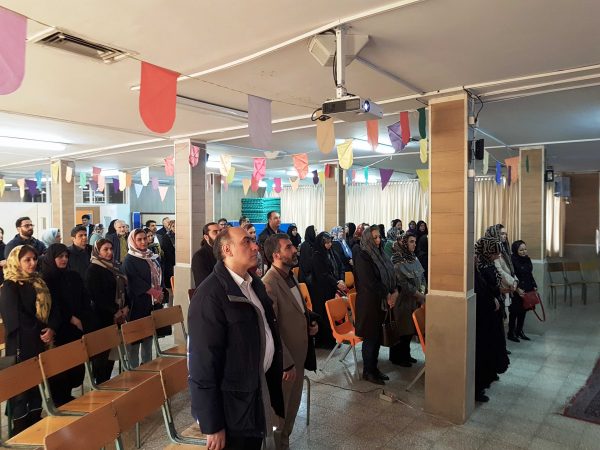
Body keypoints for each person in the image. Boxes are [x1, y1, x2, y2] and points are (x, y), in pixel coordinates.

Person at [188, 227, 284, 450]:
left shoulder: (253, 284)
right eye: (246, 242)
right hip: (232, 408)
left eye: (253, 241)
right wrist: (212, 424)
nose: (255, 246)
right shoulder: (210, 296)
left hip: (253, 394)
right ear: (227, 250)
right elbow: (202, 365)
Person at [262, 234, 317, 450]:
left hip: (298, 356)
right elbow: (271, 328)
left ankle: (284, 445)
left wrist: (310, 322)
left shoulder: (290, 276)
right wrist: (285, 362)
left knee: (292, 409)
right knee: (281, 414)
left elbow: (298, 309)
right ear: (276, 255)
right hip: (286, 364)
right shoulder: (269, 283)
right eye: (289, 247)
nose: (294, 250)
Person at [0, 245, 57, 433]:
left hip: (40, 341)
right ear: (16, 262)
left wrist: (51, 328)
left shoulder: (38, 281)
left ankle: (35, 421)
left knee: (37, 383)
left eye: (34, 259)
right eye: (27, 260)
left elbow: (51, 308)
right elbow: (14, 319)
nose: (32, 263)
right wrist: (42, 330)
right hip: (21, 343)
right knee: (21, 388)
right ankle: (19, 428)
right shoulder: (10, 286)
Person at [42, 243, 92, 406]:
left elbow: (84, 296)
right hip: (60, 328)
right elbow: (54, 304)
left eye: (66, 256)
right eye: (60, 257)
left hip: (76, 327)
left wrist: (81, 317)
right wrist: (71, 318)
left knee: (74, 368)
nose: (64, 259)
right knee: (60, 368)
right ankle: (59, 400)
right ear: (51, 258)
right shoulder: (47, 279)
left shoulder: (73, 275)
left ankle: (67, 395)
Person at [354, 225, 398, 385]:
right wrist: (387, 294)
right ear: (367, 239)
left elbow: (390, 274)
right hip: (369, 304)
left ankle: (374, 368)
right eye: (374, 238)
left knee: (377, 337)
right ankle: (368, 371)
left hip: (380, 302)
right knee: (370, 339)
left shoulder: (380, 253)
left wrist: (394, 291)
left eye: (379, 237)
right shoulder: (363, 256)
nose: (378, 240)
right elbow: (370, 282)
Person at [85, 239, 129, 384]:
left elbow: (124, 289)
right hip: (101, 318)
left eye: (111, 249)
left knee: (112, 353)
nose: (110, 252)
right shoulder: (93, 269)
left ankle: (107, 382)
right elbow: (96, 296)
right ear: (97, 251)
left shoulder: (115, 266)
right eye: (105, 249)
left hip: (118, 316)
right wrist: (115, 311)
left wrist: (125, 306)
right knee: (102, 355)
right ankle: (99, 383)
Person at [474, 235, 510, 402]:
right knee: (483, 348)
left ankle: (490, 373)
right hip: (483, 314)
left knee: (493, 344)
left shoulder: (484, 266)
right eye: (495, 252)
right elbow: (483, 291)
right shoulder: (479, 268)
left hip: (491, 310)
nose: (498, 255)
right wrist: (493, 297)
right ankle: (480, 384)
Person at [122, 229, 163, 368]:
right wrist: (153, 292)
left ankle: (147, 366)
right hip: (137, 304)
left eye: (145, 238)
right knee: (134, 340)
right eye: (139, 239)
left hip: (151, 304)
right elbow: (134, 281)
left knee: (148, 338)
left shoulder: (151, 256)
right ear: (132, 241)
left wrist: (160, 291)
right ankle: (133, 371)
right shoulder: (129, 259)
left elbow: (159, 274)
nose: (143, 242)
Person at [390, 233, 426, 366]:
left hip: (414, 300)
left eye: (415, 242)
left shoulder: (413, 257)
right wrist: (419, 295)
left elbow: (422, 276)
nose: (414, 244)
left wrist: (422, 291)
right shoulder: (396, 260)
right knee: (402, 330)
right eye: (411, 241)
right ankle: (397, 358)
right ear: (404, 243)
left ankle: (406, 354)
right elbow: (403, 284)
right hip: (403, 300)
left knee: (410, 330)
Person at [311, 232, 347, 349]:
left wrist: (341, 279)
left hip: (333, 286)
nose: (329, 245)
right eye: (326, 243)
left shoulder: (332, 252)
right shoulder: (317, 255)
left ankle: (333, 338)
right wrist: (336, 283)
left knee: (332, 314)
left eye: (330, 242)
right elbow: (323, 274)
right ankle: (325, 341)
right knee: (324, 314)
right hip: (322, 290)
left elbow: (340, 266)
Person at [485, 224, 518, 316]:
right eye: (502, 234)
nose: (505, 236)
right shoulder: (492, 250)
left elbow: (509, 268)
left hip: (507, 287)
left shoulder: (504, 249)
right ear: (495, 234)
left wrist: (515, 280)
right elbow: (499, 270)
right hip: (498, 289)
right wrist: (513, 281)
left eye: (506, 234)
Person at [509, 240, 537, 342]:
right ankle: (511, 333)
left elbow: (529, 274)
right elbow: (511, 276)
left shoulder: (527, 259)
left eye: (525, 249)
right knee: (514, 311)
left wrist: (534, 285)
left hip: (527, 288)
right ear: (515, 250)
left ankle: (519, 331)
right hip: (517, 288)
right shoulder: (512, 260)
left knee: (523, 311)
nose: (524, 252)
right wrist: (517, 289)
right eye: (521, 250)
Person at [191, 222, 220, 287]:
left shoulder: (224, 253)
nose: (220, 235)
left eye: (220, 231)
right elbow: (204, 285)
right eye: (215, 232)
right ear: (206, 237)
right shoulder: (199, 257)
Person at [161, 220, 176, 295]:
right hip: (170, 265)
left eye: (177, 226)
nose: (175, 228)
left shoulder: (180, 237)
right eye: (173, 226)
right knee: (171, 290)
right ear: (170, 227)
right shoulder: (166, 237)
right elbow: (168, 253)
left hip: (176, 264)